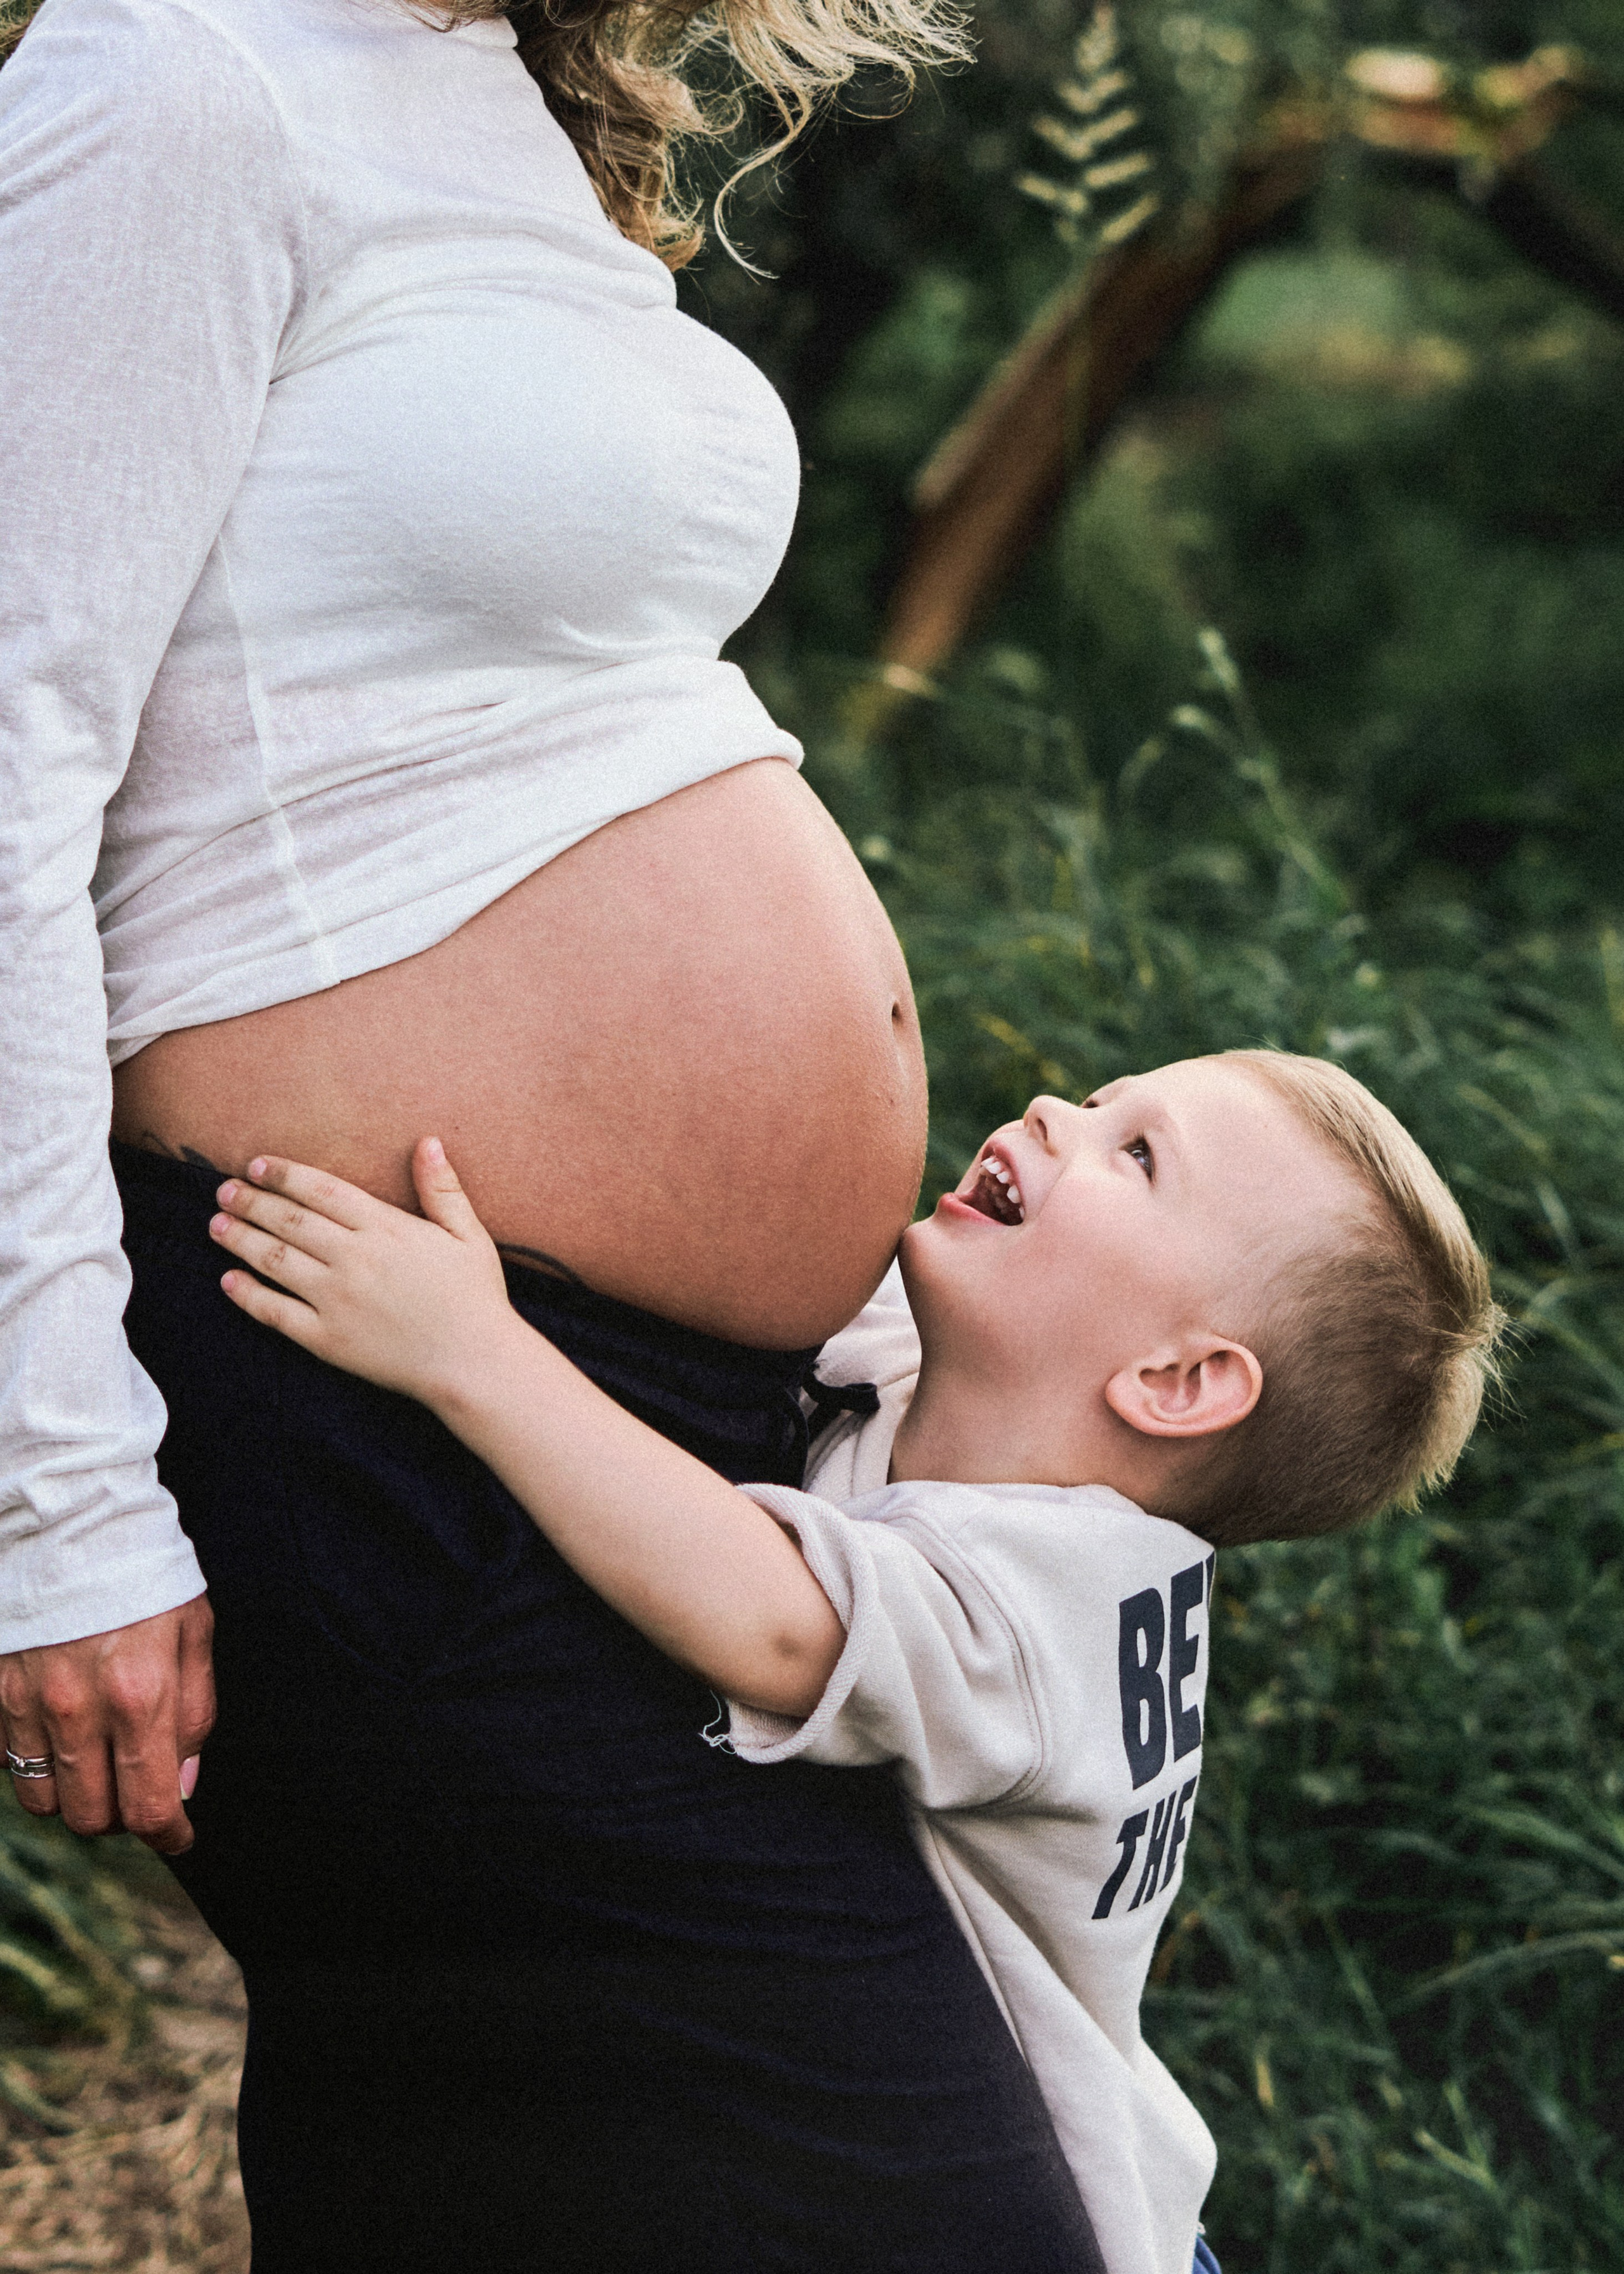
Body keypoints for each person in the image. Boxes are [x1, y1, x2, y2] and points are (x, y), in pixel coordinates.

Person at [0, 0, 1136, 2263]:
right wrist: (56, 1504)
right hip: (381, 1406)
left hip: (648, 1427)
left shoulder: (493, 100)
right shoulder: (184, 75)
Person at [204, 1047, 1505, 2274]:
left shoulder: (1045, 1608)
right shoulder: (929, 1374)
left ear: (1172, 1379)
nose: (1056, 1108)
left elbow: (774, 1624)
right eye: (1102, 1097)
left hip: (1038, 2220)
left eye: (1136, 1152)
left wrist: (472, 1353)